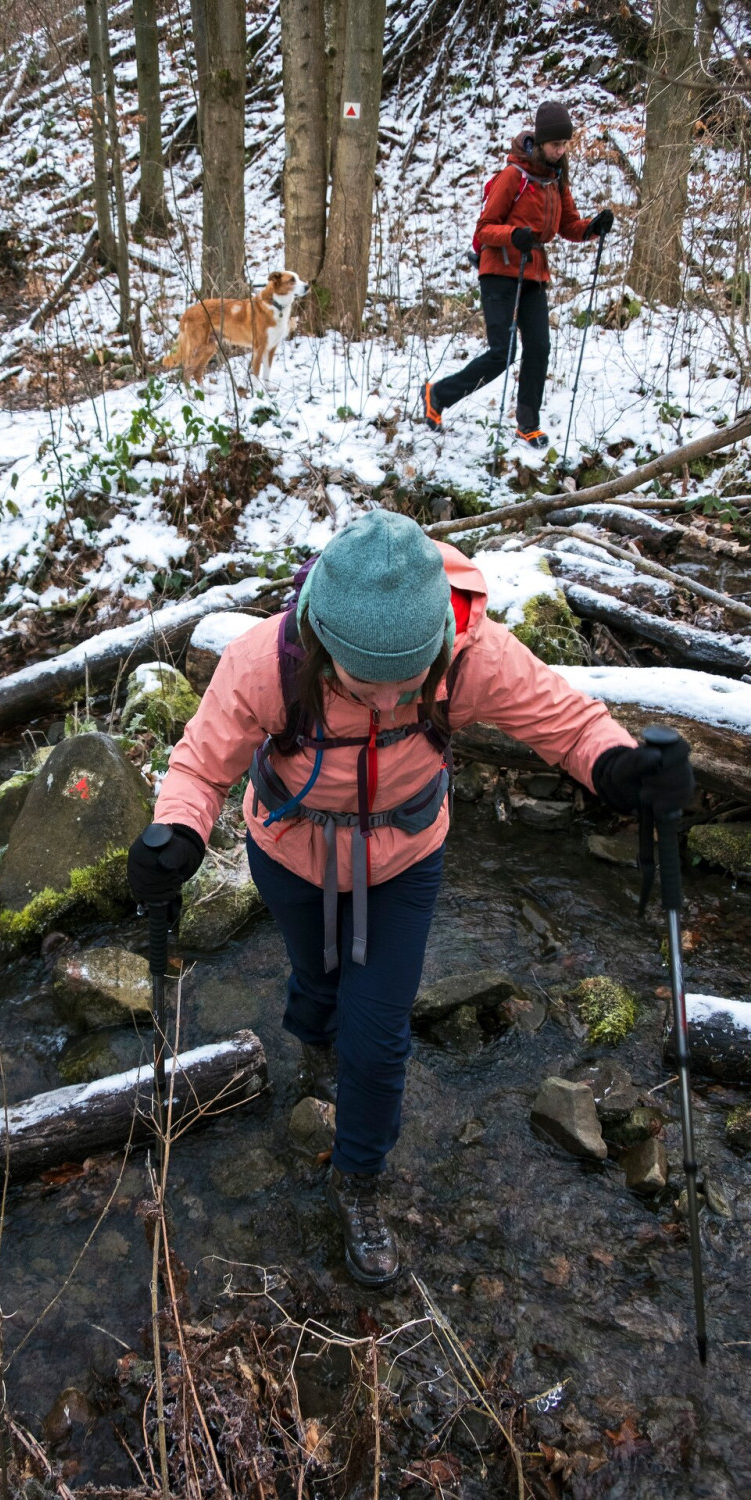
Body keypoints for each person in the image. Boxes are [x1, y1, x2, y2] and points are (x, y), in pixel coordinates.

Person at [127, 512, 693, 1288]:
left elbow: (565, 721)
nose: (395, 698)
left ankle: (358, 1179)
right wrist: (178, 835)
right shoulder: (268, 663)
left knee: (379, 1034)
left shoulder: (466, 653)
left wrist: (625, 771)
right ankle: (311, 1044)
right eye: (370, 686)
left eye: (412, 681)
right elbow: (198, 767)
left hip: (403, 859)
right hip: (290, 853)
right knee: (316, 980)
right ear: (325, 646)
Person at [423, 99, 614, 450]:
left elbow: (568, 225)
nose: (561, 151)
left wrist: (592, 228)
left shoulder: (555, 179)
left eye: (564, 145)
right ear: (540, 142)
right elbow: (485, 229)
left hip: (533, 273)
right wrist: (514, 235)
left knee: (539, 347)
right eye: (556, 144)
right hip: (499, 269)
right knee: (503, 352)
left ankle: (528, 424)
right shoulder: (515, 176)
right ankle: (438, 395)